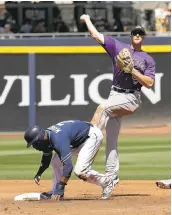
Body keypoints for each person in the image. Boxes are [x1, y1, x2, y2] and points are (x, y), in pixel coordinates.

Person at [80, 15, 155, 191]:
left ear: (143, 37)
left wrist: (133, 71)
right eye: (135, 33)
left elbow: (150, 84)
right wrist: (88, 19)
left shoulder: (147, 59)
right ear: (131, 36)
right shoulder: (118, 47)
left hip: (131, 98)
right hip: (115, 93)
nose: (137, 35)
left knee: (102, 107)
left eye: (140, 34)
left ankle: (84, 145)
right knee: (111, 140)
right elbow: (97, 36)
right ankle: (111, 177)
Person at [24, 120, 119, 200]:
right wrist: (39, 173)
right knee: (55, 162)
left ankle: (107, 182)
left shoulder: (58, 139)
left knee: (80, 171)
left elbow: (68, 166)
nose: (34, 146)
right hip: (76, 141)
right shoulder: (47, 137)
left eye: (34, 143)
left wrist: (61, 186)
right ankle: (56, 192)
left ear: (40, 139)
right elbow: (46, 157)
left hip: (91, 137)